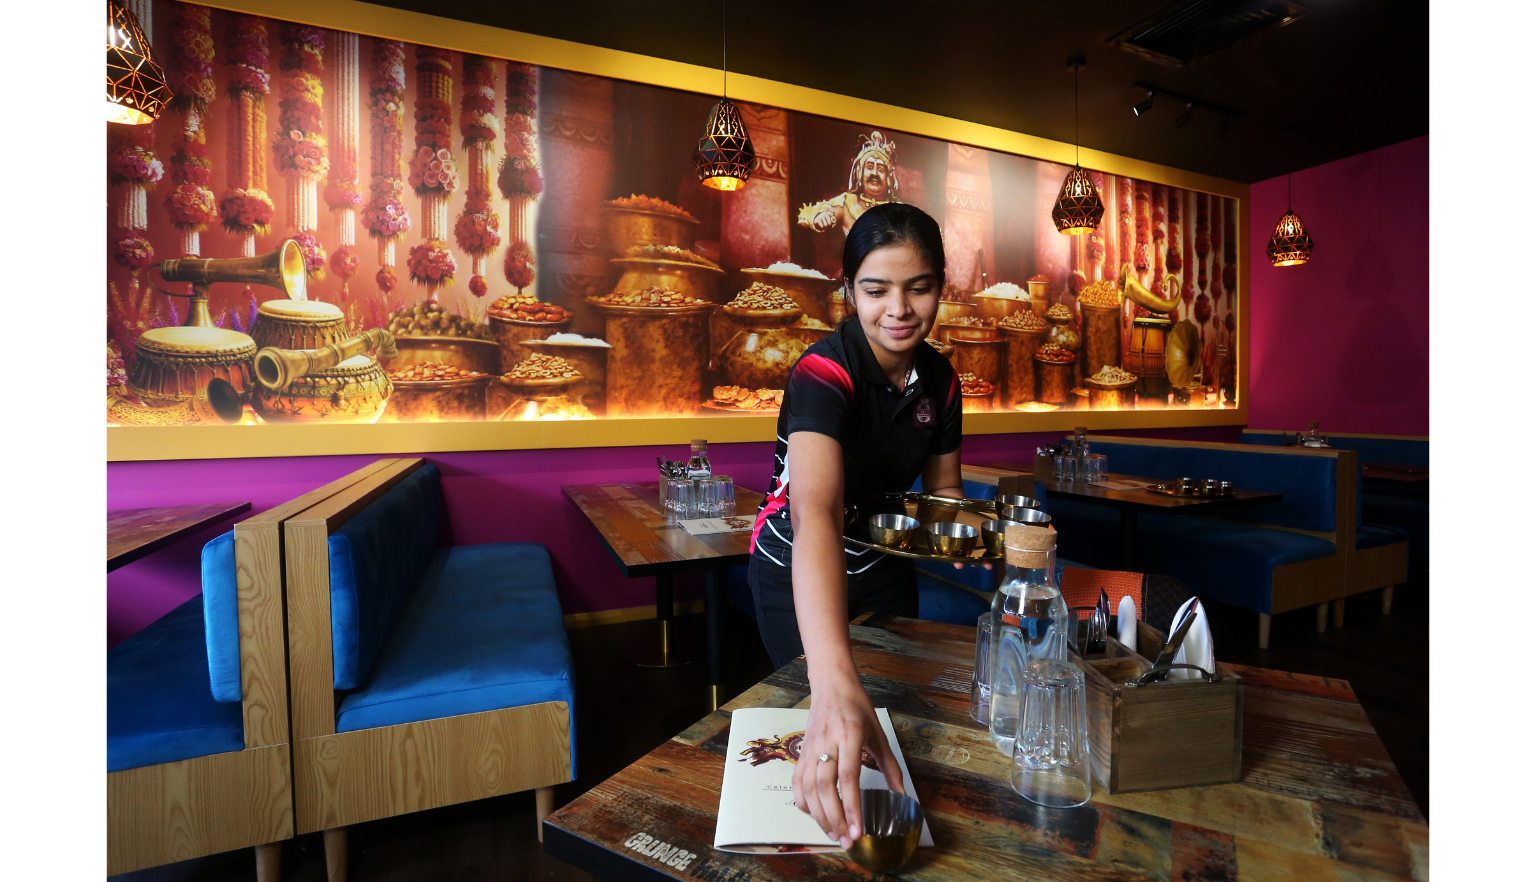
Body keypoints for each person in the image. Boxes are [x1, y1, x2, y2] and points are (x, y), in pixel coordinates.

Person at [747, 202, 964, 850]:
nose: (898, 309)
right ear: (849, 292)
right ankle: (824, 842)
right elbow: (814, 510)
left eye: (918, 288)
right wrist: (833, 678)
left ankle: (881, 831)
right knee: (829, 716)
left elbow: (943, 487)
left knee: (891, 718)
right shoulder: (823, 371)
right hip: (799, 566)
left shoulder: (942, 381)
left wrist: (965, 536)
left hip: (883, 562)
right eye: (876, 290)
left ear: (939, 288)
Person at [796, 131, 900, 236]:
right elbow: (805, 215)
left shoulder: (899, 212)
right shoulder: (848, 203)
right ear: (860, 174)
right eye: (869, 167)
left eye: (881, 169)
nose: (874, 173)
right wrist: (818, 216)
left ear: (888, 178)